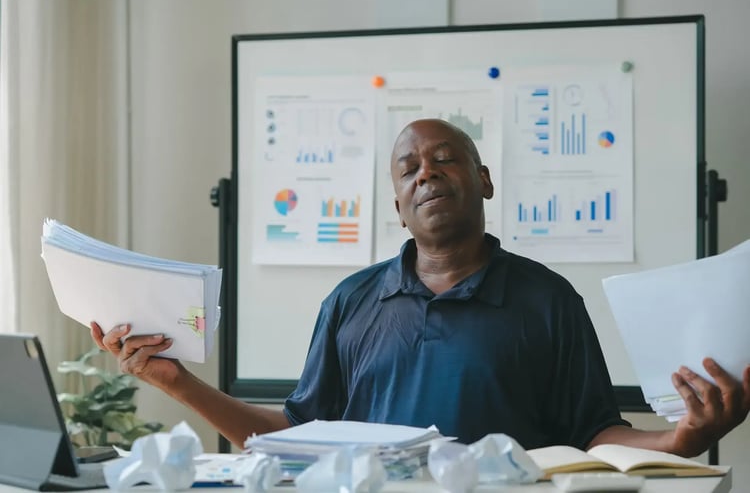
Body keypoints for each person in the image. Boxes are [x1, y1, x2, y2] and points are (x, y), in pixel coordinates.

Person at [92, 118, 750, 457]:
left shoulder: (549, 301)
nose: (427, 172)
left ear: (484, 179)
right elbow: (291, 435)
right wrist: (177, 383)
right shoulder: (351, 303)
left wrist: (679, 440)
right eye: (409, 168)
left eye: (446, 158)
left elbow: (595, 433)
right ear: (398, 204)